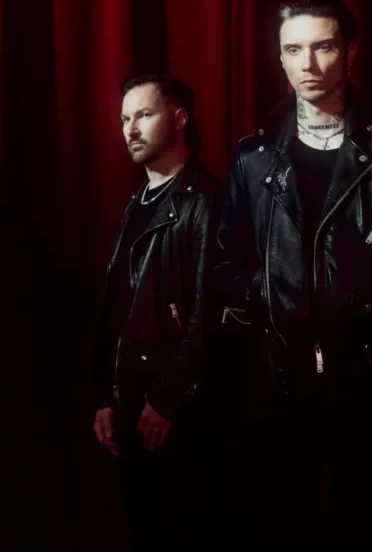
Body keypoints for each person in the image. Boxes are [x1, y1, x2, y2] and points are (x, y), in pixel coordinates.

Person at [211, 0, 372, 550]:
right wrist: (270, 295)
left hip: (369, 371)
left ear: (350, 54)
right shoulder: (254, 157)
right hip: (279, 375)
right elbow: (220, 265)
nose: (308, 64)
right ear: (280, 58)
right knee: (284, 528)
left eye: (323, 47)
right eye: (293, 50)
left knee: (360, 527)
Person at [92, 74, 218, 551]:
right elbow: (119, 310)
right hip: (132, 405)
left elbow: (208, 312)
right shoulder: (137, 204)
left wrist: (167, 400)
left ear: (180, 118)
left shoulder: (204, 202)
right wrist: (106, 396)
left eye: (144, 115)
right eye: (125, 118)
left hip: (174, 414)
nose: (130, 129)